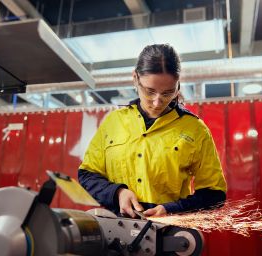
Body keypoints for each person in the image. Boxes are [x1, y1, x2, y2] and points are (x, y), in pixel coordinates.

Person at [78, 44, 226, 218]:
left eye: (168, 93)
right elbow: (87, 175)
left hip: (168, 233)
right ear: (135, 79)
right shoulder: (113, 122)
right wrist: (117, 193)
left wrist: (173, 208)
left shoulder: (195, 130)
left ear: (178, 86)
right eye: (150, 91)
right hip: (116, 233)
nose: (157, 102)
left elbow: (214, 194)